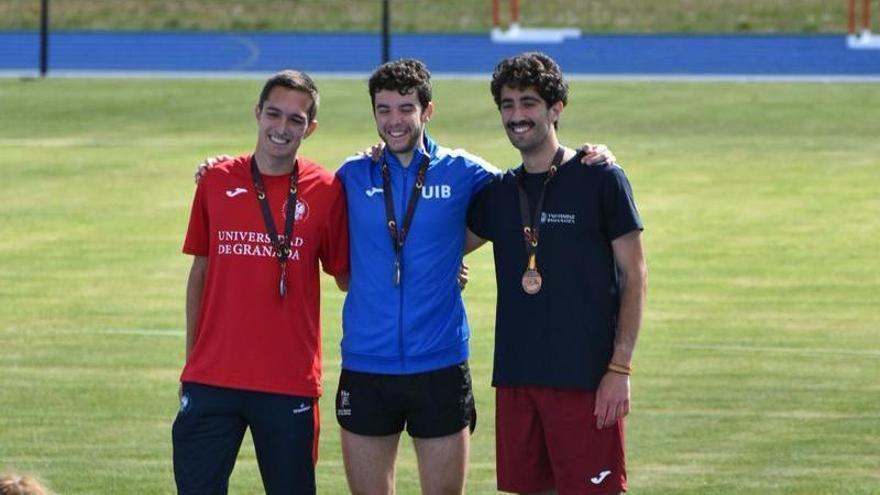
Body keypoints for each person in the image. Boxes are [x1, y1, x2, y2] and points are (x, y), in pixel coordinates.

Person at [333, 59, 616, 495]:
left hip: (440, 362)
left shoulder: (466, 172)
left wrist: (589, 158)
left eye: (405, 108)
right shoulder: (352, 174)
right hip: (365, 364)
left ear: (427, 111)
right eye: (383, 110)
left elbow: (533, 186)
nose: (394, 121)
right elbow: (333, 255)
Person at [466, 52, 647, 495]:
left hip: (585, 379)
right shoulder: (498, 192)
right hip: (517, 377)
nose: (517, 116)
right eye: (507, 105)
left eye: (528, 103)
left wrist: (620, 368)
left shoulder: (600, 177)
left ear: (556, 108)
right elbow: (440, 248)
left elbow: (635, 274)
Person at [173, 69, 350, 494]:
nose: (282, 128)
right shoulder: (216, 181)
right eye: (274, 114)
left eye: (296, 119)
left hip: (288, 382)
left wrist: (437, 268)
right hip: (212, 379)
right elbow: (201, 270)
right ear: (258, 113)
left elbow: (348, 278)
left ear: (311, 128)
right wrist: (192, 362)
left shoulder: (326, 190)